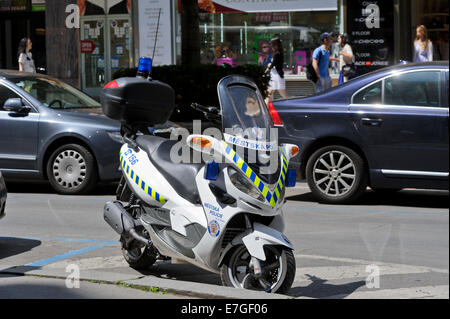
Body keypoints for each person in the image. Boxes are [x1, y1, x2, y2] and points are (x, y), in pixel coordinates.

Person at [266, 37, 288, 102]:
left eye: (272, 45)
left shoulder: (277, 54)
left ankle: (291, 108)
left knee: (269, 96)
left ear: (275, 45)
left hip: (276, 76)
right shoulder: (278, 53)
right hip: (275, 76)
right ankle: (265, 110)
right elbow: (274, 63)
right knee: (268, 95)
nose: (271, 47)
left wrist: (268, 67)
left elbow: (273, 64)